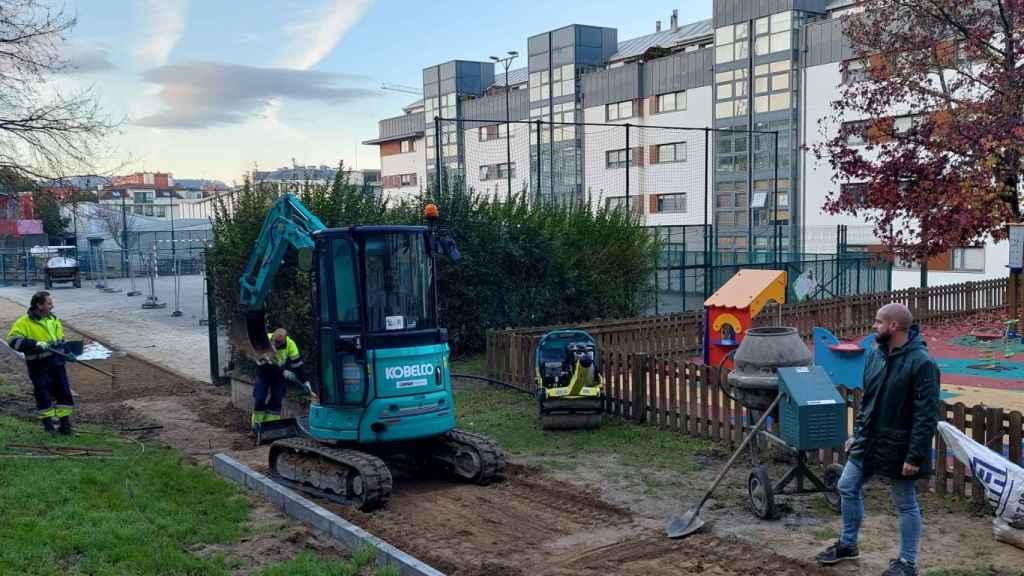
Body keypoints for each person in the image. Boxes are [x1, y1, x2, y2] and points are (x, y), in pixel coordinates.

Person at [816, 303, 940, 576]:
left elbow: (926, 415)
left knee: (905, 502)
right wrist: (857, 434)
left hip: (899, 446)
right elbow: (867, 401)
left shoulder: (922, 364)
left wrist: (914, 456)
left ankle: (907, 563)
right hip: (869, 441)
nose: (874, 326)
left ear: (893, 326)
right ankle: (849, 545)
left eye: (878, 322)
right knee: (847, 485)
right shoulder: (875, 356)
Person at [7, 291, 77, 435]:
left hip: (57, 364)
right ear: (39, 305)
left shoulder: (53, 320)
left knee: (63, 392)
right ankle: (48, 426)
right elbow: (13, 341)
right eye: (49, 303)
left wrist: (68, 352)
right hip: (39, 366)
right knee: (43, 394)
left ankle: (65, 425)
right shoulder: (24, 322)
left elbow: (60, 340)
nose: (52, 306)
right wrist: (35, 344)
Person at [251, 328, 310, 431]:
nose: (277, 346)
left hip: (279, 378)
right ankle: (256, 428)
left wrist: (305, 382)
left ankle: (270, 428)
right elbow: (262, 365)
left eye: (279, 343)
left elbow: (298, 365)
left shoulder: (291, 345)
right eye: (275, 343)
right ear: (272, 337)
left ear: (285, 340)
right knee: (259, 399)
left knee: (276, 401)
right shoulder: (263, 340)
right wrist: (283, 371)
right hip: (263, 373)